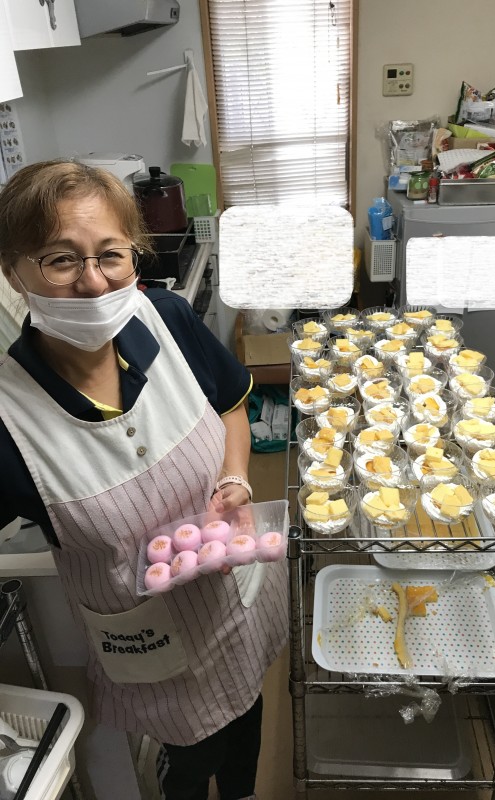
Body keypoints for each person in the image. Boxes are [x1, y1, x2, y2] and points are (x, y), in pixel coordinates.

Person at [0, 160, 288, 800]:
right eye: (60, 260)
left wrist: (236, 476)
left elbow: (230, 404)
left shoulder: (167, 319)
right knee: (189, 758)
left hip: (235, 602)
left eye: (111, 254)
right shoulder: (8, 419)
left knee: (247, 724)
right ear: (13, 272)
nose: (93, 282)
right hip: (153, 645)